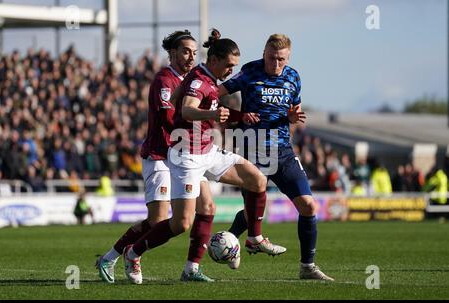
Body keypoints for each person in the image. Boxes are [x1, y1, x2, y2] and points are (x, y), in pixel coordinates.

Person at [121, 29, 286, 283]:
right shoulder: (200, 81)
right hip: (186, 156)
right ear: (216, 61)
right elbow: (187, 110)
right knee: (180, 223)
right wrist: (210, 115)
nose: (231, 71)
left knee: (257, 181)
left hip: (207, 150)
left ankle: (248, 240)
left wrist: (236, 116)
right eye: (229, 65)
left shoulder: (203, 77)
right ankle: (133, 253)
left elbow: (178, 99)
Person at [96, 30, 217, 284]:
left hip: (186, 156)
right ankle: (113, 256)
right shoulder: (164, 80)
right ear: (172, 53)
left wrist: (215, 47)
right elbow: (170, 119)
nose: (191, 57)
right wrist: (202, 121)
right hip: (161, 155)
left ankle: (191, 269)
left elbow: (213, 76)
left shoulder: (192, 79)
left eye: (195, 53)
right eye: (186, 51)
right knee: (158, 220)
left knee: (207, 207)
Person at [220, 34, 334, 281]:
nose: (275, 64)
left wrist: (294, 117)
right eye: (271, 58)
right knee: (253, 216)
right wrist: (238, 115)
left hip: (282, 151)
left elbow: (295, 110)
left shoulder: (293, 77)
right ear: (264, 53)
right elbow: (216, 92)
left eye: (281, 59)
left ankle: (307, 267)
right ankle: (229, 245)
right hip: (251, 150)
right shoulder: (249, 71)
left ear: (288, 57)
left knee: (308, 206)